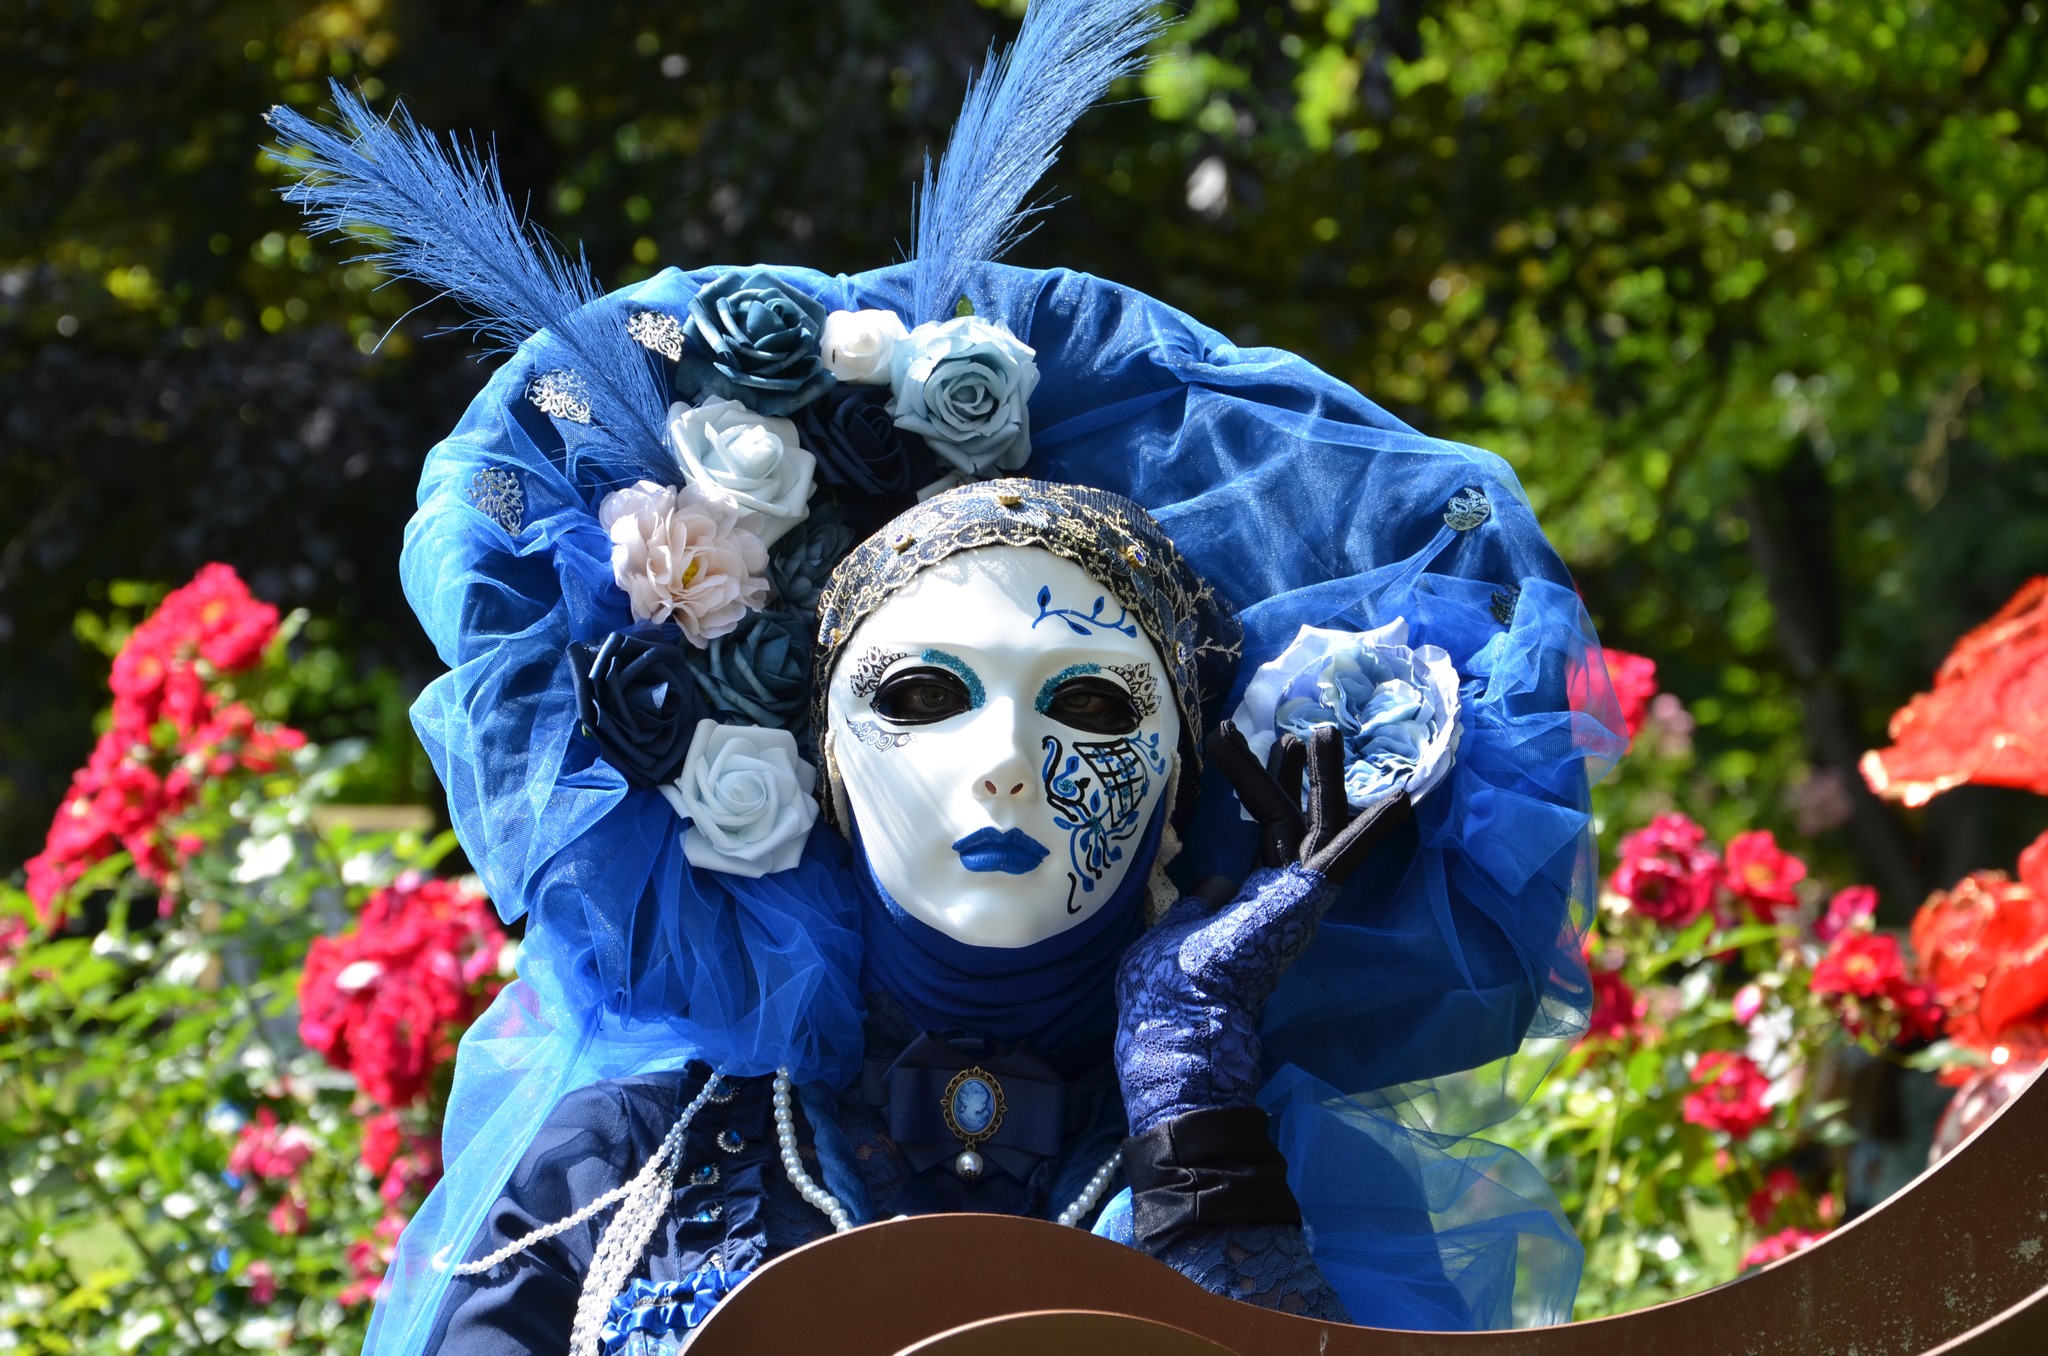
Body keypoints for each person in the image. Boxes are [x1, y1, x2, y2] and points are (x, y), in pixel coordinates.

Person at [267, 3, 1628, 1352]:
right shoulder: (617, 1171)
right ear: (821, 770)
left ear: (1175, 796)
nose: (1006, 763)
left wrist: (1191, 1095)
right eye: (922, 695)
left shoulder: (1264, 1160)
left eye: (1091, 703)